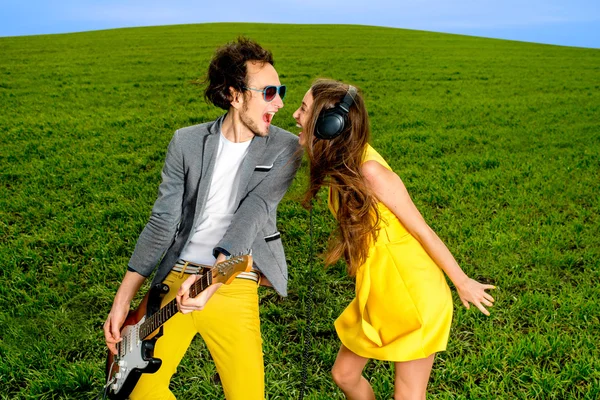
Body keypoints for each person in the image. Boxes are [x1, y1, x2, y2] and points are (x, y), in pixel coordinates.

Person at [103, 37, 301, 400]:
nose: (280, 102)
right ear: (234, 95)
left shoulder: (285, 147)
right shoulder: (186, 142)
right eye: (269, 92)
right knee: (138, 391)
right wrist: (122, 300)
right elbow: (163, 222)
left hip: (235, 277)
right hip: (176, 274)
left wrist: (212, 280)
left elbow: (254, 212)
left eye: (280, 90)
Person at [292, 78, 495, 400]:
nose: (295, 114)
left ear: (331, 125)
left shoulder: (370, 171)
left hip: (413, 294)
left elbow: (421, 229)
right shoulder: (341, 165)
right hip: (378, 292)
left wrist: (462, 281)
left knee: (408, 394)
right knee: (344, 375)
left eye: (303, 109)